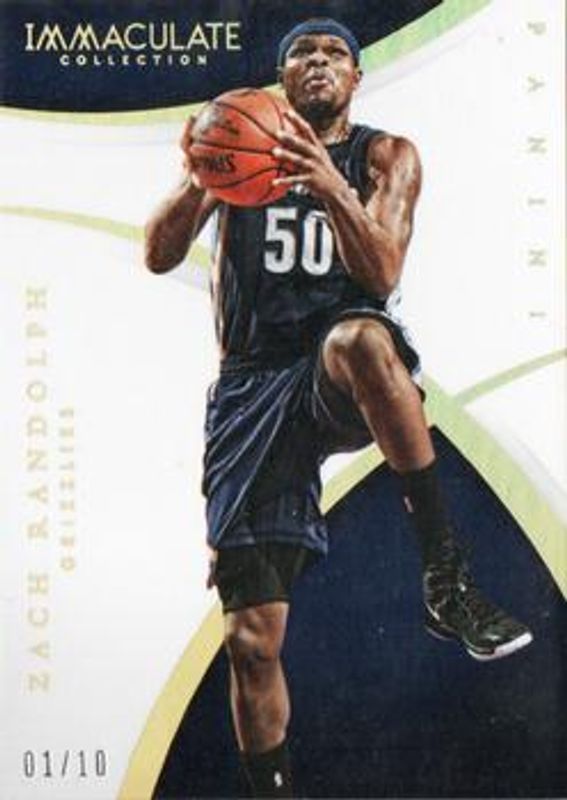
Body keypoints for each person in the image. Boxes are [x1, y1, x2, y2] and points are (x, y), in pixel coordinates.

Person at [145, 18, 533, 798]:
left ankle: (444, 577)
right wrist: (198, 175)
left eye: (333, 54)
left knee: (361, 338)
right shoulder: (239, 146)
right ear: (282, 78)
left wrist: (326, 182)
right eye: (301, 53)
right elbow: (156, 254)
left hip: (332, 369)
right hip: (253, 386)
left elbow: (381, 272)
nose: (317, 62)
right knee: (250, 640)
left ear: (355, 78)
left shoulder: (384, 156)